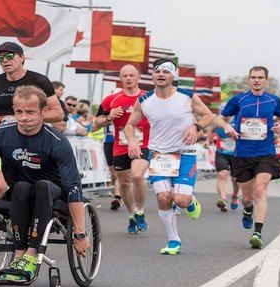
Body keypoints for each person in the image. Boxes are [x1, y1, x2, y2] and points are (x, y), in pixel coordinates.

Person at [0, 85, 89, 282]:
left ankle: (30, 256)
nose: (24, 117)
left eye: (30, 112)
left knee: (42, 185)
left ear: (44, 111)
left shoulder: (57, 141)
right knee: (22, 187)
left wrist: (80, 233)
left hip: (52, 193)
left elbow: (73, 186)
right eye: (19, 111)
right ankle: (18, 255)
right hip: (19, 191)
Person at [125, 58, 214, 254]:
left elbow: (209, 115)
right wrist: (132, 142)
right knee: (164, 198)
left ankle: (190, 200)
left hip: (185, 154)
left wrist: (195, 126)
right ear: (152, 76)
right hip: (159, 155)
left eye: (166, 72)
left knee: (181, 200)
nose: (161, 75)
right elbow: (130, 125)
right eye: (157, 71)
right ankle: (174, 240)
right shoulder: (145, 101)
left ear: (173, 76)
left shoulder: (186, 96)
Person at [0, 42, 64, 200]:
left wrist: (19, 119)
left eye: (9, 56)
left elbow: (58, 113)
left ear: (22, 58)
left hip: (34, 140)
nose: (5, 60)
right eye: (0, 58)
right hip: (3, 140)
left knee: (34, 186)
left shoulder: (39, 80)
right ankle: (4, 212)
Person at [215, 65, 280, 249]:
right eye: (253, 77)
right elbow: (219, 118)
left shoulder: (274, 100)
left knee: (260, 190)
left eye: (260, 77)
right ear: (248, 80)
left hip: (266, 153)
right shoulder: (239, 100)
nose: (256, 80)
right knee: (247, 197)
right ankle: (248, 209)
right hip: (243, 154)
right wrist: (227, 126)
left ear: (266, 81)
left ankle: (257, 232)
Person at [93, 65, 151, 234]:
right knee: (124, 183)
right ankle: (132, 215)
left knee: (137, 175)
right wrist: (109, 117)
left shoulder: (148, 97)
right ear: (120, 78)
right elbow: (96, 123)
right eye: (125, 75)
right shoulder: (111, 99)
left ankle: (140, 211)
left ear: (138, 77)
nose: (128, 78)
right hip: (121, 145)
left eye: (132, 75)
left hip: (143, 144)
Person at [213, 113, 240, 211]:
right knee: (222, 175)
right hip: (221, 153)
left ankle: (235, 196)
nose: (227, 116)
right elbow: (210, 130)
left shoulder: (237, 120)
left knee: (235, 179)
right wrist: (207, 141)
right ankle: (223, 199)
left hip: (236, 154)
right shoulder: (217, 121)